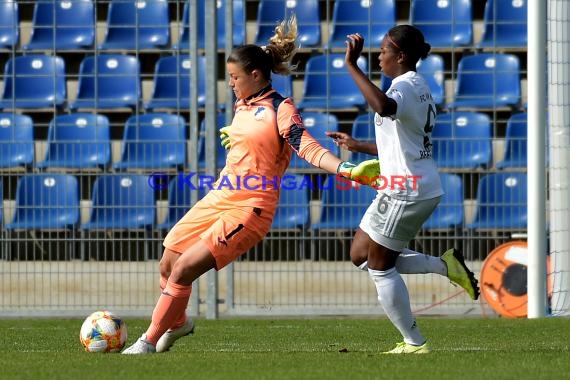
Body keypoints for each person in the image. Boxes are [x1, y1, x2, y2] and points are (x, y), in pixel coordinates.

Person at [122, 16, 379, 355]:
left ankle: (147, 342)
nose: (230, 83)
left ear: (255, 75)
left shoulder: (280, 107)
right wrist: (238, 141)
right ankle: (179, 323)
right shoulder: (244, 104)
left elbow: (306, 146)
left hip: (250, 207)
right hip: (219, 197)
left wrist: (345, 168)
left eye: (234, 77)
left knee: (184, 270)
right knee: (168, 263)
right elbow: (253, 142)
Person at [326, 25, 480, 354]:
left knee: (381, 266)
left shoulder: (405, 88)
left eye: (384, 50)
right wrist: (356, 145)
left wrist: (352, 66)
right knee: (360, 255)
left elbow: (382, 107)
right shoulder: (414, 86)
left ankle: (414, 343)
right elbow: (399, 141)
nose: (379, 56)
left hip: (406, 188)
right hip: (407, 183)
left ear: (402, 56)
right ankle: (445, 266)